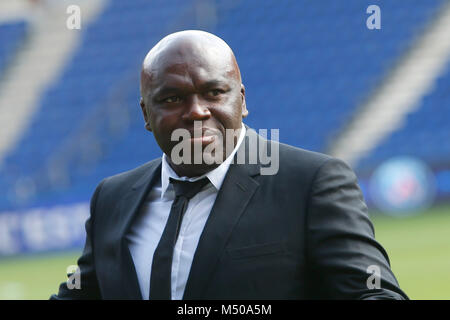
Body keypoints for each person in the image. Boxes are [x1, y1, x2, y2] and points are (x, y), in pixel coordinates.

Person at [51, 30, 408, 300]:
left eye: (214, 92)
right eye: (172, 98)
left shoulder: (310, 183)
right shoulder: (112, 198)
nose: (196, 111)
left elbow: (373, 294)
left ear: (241, 99)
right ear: (147, 114)